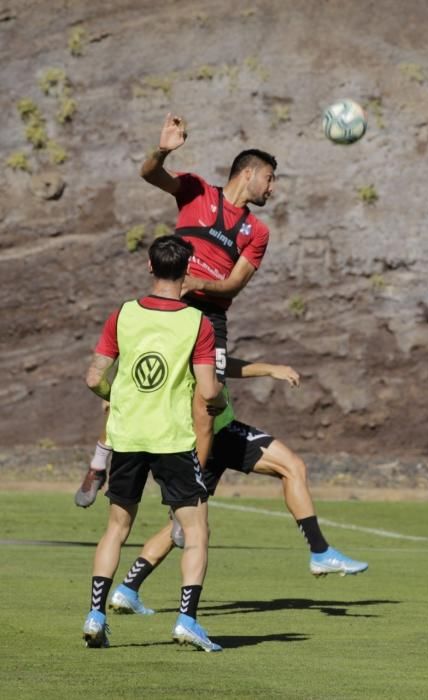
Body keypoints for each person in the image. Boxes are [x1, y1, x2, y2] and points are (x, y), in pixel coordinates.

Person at [75, 113, 277, 504]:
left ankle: (191, 493)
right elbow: (151, 173)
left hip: (211, 318)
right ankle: (99, 464)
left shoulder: (259, 232)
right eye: (269, 178)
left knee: (205, 405)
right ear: (249, 173)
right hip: (169, 307)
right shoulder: (198, 191)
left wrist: (201, 282)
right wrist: (162, 150)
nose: (273, 188)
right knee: (134, 387)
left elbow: (235, 283)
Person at [81, 357, 368, 620]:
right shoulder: (198, 320)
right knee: (292, 466)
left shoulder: (182, 327)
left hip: (193, 440)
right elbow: (210, 369)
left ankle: (128, 588)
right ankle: (320, 551)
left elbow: (220, 363)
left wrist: (269, 369)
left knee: (184, 524)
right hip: (216, 432)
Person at [81, 235, 226, 652]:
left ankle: (95, 615)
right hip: (171, 440)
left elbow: (93, 377)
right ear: (187, 272)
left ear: (149, 267)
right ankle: (186, 620)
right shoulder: (197, 323)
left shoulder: (123, 315)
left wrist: (116, 397)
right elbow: (208, 389)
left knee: (116, 528)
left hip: (127, 437)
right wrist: (216, 403)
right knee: (197, 531)